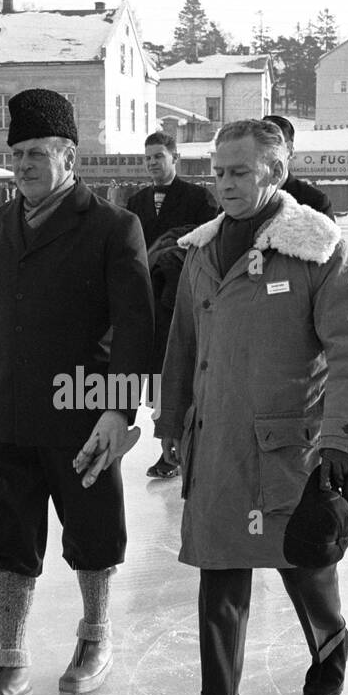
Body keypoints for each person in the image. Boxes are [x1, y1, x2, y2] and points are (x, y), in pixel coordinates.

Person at [155, 119, 348, 695]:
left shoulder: (318, 248)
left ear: (275, 173)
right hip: (217, 443)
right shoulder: (201, 252)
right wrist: (171, 427)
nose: (224, 183)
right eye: (218, 171)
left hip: (291, 446)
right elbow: (182, 349)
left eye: (240, 171)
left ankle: (330, 641)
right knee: (218, 571)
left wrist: (346, 438)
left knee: (303, 566)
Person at [0, 89, 153, 695]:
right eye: (15, 154)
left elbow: (135, 327)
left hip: (81, 413)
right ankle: (11, 666)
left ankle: (96, 635)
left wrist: (120, 411)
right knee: (8, 538)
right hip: (6, 412)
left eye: (35, 153)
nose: (22, 165)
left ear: (69, 155)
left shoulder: (110, 227)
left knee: (92, 531)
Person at [125, 131, 219, 479]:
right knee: (156, 373)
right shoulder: (135, 202)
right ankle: (165, 440)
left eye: (158, 156)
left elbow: (208, 241)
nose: (152, 163)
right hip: (146, 301)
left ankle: (178, 445)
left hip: (182, 299)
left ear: (174, 158)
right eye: (148, 157)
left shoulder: (198, 198)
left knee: (178, 370)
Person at [262, 114, 333, 218]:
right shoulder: (240, 197)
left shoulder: (314, 202)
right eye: (259, 144)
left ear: (289, 150)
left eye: (272, 144)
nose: (264, 151)